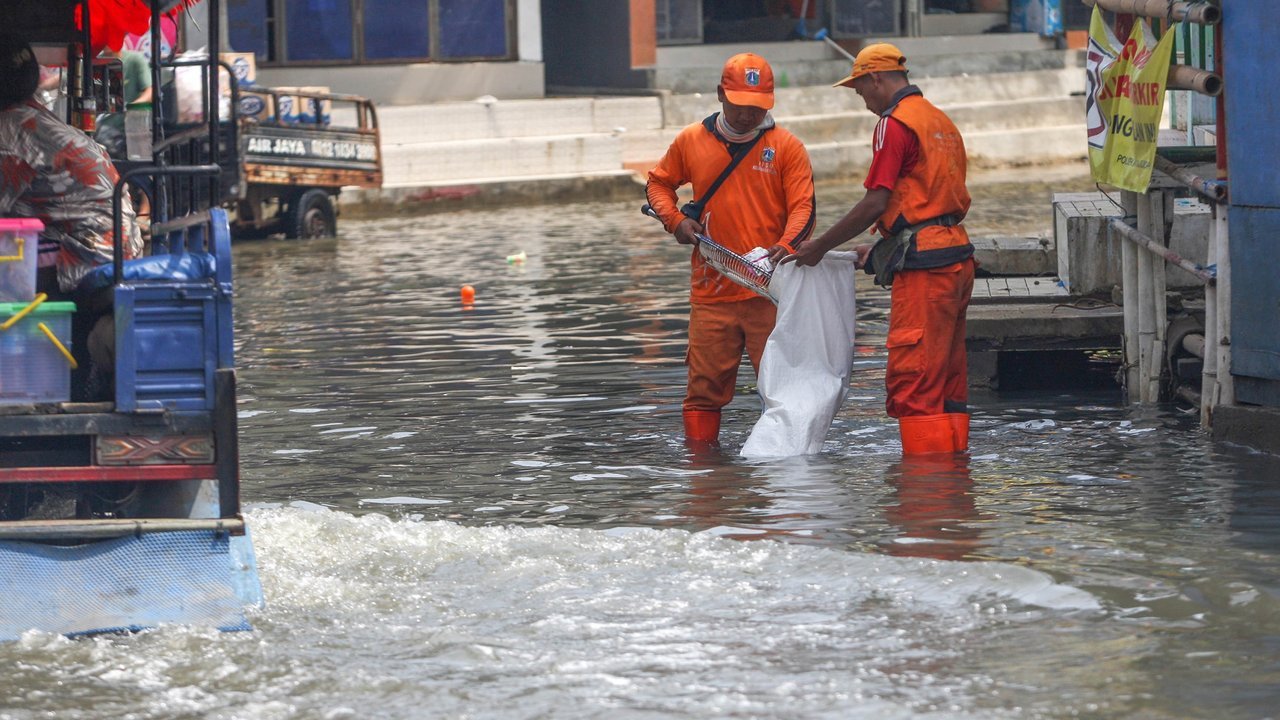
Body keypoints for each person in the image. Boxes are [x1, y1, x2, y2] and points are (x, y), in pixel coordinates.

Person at [768, 43, 975, 455]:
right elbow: (926, 203)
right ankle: (953, 492)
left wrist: (819, 246)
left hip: (925, 270)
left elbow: (875, 202)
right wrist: (881, 248)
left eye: (861, 91)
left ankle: (922, 499)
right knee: (947, 379)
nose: (863, 102)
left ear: (876, 78)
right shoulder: (938, 119)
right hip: (956, 258)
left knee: (914, 380)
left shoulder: (893, 123)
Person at [646, 52, 816, 446]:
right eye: (740, 106)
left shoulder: (787, 147)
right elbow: (658, 184)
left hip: (769, 291)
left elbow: (803, 208)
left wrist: (785, 246)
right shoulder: (691, 140)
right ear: (721, 94)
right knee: (704, 390)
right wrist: (674, 220)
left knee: (782, 389)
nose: (747, 115)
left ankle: (787, 471)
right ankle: (703, 472)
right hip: (712, 289)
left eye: (757, 108)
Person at [0, 34, 145, 398]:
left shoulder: (9, 129)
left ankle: (40, 382)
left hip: (89, 252)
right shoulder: (31, 116)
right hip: (117, 244)